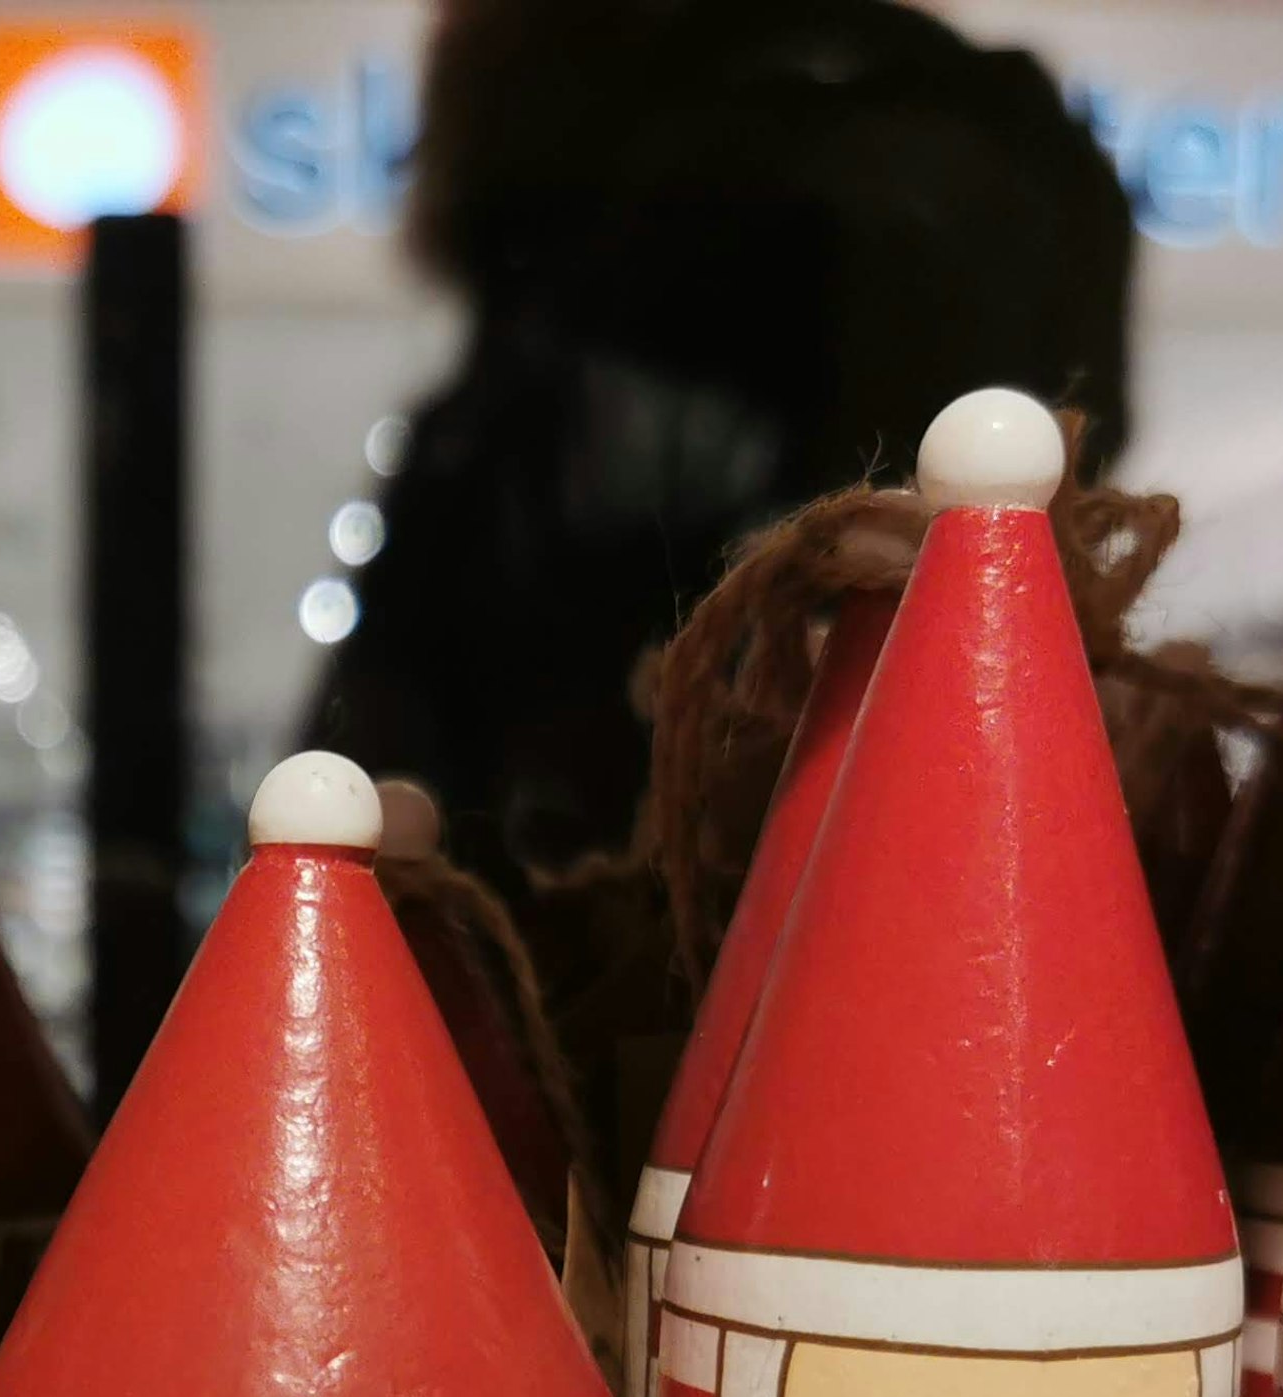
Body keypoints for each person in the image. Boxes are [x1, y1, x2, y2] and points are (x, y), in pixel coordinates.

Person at [306, 0, 1135, 889]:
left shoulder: (597, 186)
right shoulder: (1003, 139)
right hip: (974, 802)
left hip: (629, 867)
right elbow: (1085, 437)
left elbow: (394, 733)